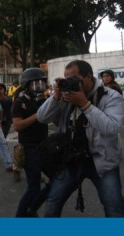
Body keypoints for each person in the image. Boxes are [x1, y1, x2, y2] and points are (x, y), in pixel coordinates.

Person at [37, 60, 124, 217]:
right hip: (72, 159)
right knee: (52, 203)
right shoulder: (65, 96)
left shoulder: (111, 96)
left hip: (102, 161)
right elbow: (42, 118)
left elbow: (111, 128)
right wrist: (55, 97)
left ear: (89, 76)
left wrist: (84, 103)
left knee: (115, 208)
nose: (69, 82)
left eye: (74, 78)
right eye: (66, 78)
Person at [12, 68, 50, 216]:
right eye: (35, 84)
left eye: (41, 83)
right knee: (34, 187)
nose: (39, 87)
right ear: (26, 85)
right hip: (29, 148)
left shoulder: (43, 100)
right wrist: (38, 115)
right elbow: (17, 125)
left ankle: (31, 209)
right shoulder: (20, 102)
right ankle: (21, 215)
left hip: (45, 146)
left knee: (56, 180)